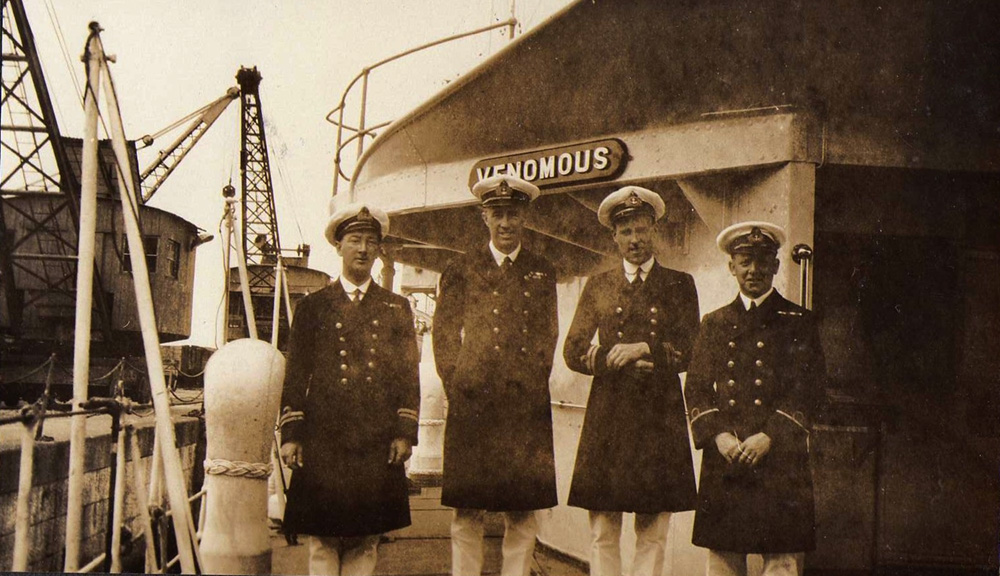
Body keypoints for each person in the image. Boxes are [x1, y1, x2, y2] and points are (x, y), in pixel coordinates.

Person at [563, 186, 700, 576]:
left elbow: (693, 348)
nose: (634, 240)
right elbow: (572, 349)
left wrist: (646, 349)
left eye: (641, 230)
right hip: (609, 417)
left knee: (653, 530)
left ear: (654, 229)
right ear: (614, 236)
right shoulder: (599, 284)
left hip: (659, 419)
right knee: (604, 529)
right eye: (626, 232)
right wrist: (611, 358)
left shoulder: (679, 283)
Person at [278, 202, 420, 576]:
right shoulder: (313, 307)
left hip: (376, 439)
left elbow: (409, 375)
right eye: (354, 240)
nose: (362, 249)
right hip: (324, 438)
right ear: (338, 246)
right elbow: (296, 375)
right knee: (323, 542)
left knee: (366, 539)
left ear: (378, 250)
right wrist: (291, 434)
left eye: (370, 242)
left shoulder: (396, 308)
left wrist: (405, 433)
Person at [432, 175, 559, 576]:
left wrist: (531, 384)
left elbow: (547, 336)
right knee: (467, 512)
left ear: (524, 218)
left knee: (522, 514)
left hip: (524, 409)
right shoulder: (461, 268)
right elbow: (444, 334)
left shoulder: (542, 271)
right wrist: (459, 384)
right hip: (474, 407)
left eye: (513, 215)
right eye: (498, 214)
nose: (506, 223)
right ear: (484, 217)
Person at [685, 222, 825, 576]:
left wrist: (770, 436)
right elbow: (697, 388)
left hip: (780, 459)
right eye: (745, 261)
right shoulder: (714, 323)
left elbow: (810, 391)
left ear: (776, 266)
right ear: (731, 267)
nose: (754, 270)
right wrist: (719, 436)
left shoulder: (800, 322)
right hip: (727, 458)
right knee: (723, 560)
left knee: (781, 562)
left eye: (763, 260)